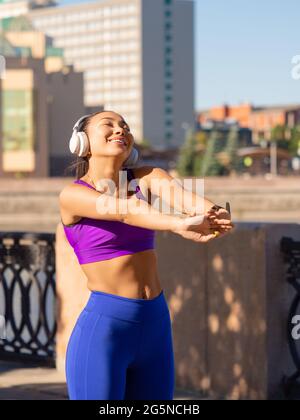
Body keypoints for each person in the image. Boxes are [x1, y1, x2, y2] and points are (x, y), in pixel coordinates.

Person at [59, 110, 234, 400]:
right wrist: (177, 225)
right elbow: (127, 211)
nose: (120, 130)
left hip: (156, 323)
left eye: (124, 126)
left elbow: (184, 198)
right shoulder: (73, 195)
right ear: (82, 142)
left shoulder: (147, 177)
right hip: (106, 329)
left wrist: (213, 213)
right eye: (109, 125)